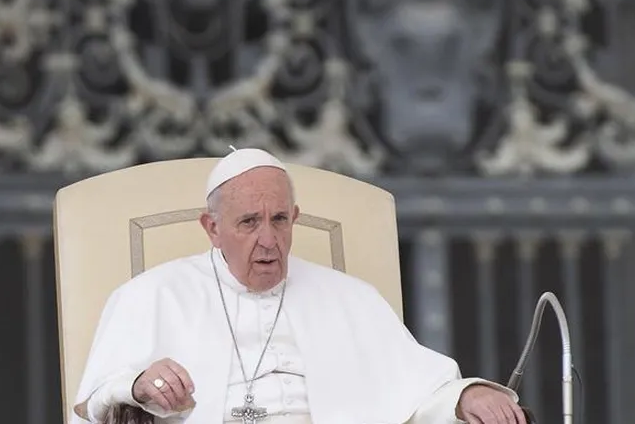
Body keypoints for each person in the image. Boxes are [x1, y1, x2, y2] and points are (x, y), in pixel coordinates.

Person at [72, 148, 527, 424]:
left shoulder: (351, 298)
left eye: (279, 219)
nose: (268, 239)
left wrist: (468, 394)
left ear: (296, 218)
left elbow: (419, 393)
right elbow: (98, 400)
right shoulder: (153, 294)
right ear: (212, 228)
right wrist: (138, 385)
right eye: (248, 222)